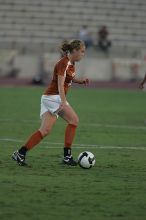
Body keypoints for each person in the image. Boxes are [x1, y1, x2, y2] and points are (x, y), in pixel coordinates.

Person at [12, 39, 89, 167]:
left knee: (45, 130)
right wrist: (63, 102)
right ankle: (67, 156)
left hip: (49, 97)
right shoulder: (63, 63)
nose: (83, 54)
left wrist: (80, 81)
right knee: (74, 120)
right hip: (54, 97)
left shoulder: (71, 63)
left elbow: (69, 78)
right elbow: (60, 84)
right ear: (74, 51)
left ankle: (20, 153)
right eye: (82, 51)